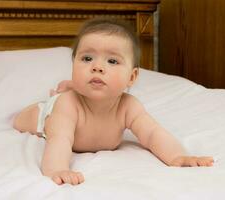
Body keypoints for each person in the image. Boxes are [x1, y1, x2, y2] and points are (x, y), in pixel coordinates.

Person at [13, 18, 214, 186]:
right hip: (50, 113)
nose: (97, 67)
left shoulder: (129, 106)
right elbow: (60, 140)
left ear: (132, 77)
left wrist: (177, 157)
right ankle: (63, 90)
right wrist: (57, 169)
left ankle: (69, 84)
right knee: (21, 120)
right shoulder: (68, 104)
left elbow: (152, 133)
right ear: (73, 63)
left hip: (73, 99)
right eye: (87, 58)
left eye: (112, 61)